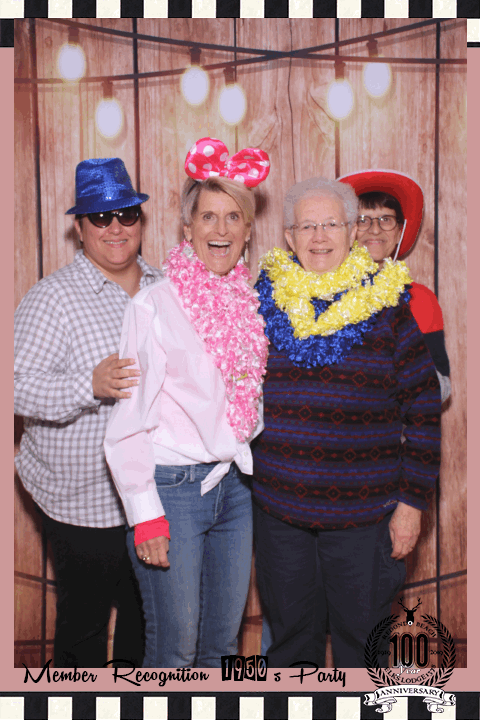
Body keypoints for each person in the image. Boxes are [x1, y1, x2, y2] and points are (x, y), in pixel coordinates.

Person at [252, 177, 441, 668]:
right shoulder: (262, 300)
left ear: (352, 231)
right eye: (306, 226)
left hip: (367, 517)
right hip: (280, 513)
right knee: (291, 650)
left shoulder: (388, 304)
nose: (319, 237)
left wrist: (412, 505)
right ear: (289, 237)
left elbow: (424, 408)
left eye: (331, 224)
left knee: (363, 650)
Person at [104, 137, 270, 668]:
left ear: (248, 231)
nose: (221, 229)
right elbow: (127, 421)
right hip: (172, 491)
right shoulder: (153, 305)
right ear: (187, 228)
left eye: (233, 217)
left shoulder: (249, 301)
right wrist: (145, 514)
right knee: (174, 652)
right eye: (208, 217)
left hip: (235, 489)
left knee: (221, 649)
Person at [14, 158, 162, 667]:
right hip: (82, 502)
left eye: (126, 214)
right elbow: (16, 388)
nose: (115, 227)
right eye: (100, 217)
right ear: (79, 228)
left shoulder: (165, 288)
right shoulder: (52, 298)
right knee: (84, 627)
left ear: (141, 221)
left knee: (147, 621)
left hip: (155, 496)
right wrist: (88, 385)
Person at [338, 169, 450, 403]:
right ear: (347, 230)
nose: (375, 229)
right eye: (362, 220)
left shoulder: (420, 299)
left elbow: (442, 386)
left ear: (400, 231)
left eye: (386, 220)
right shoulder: (322, 293)